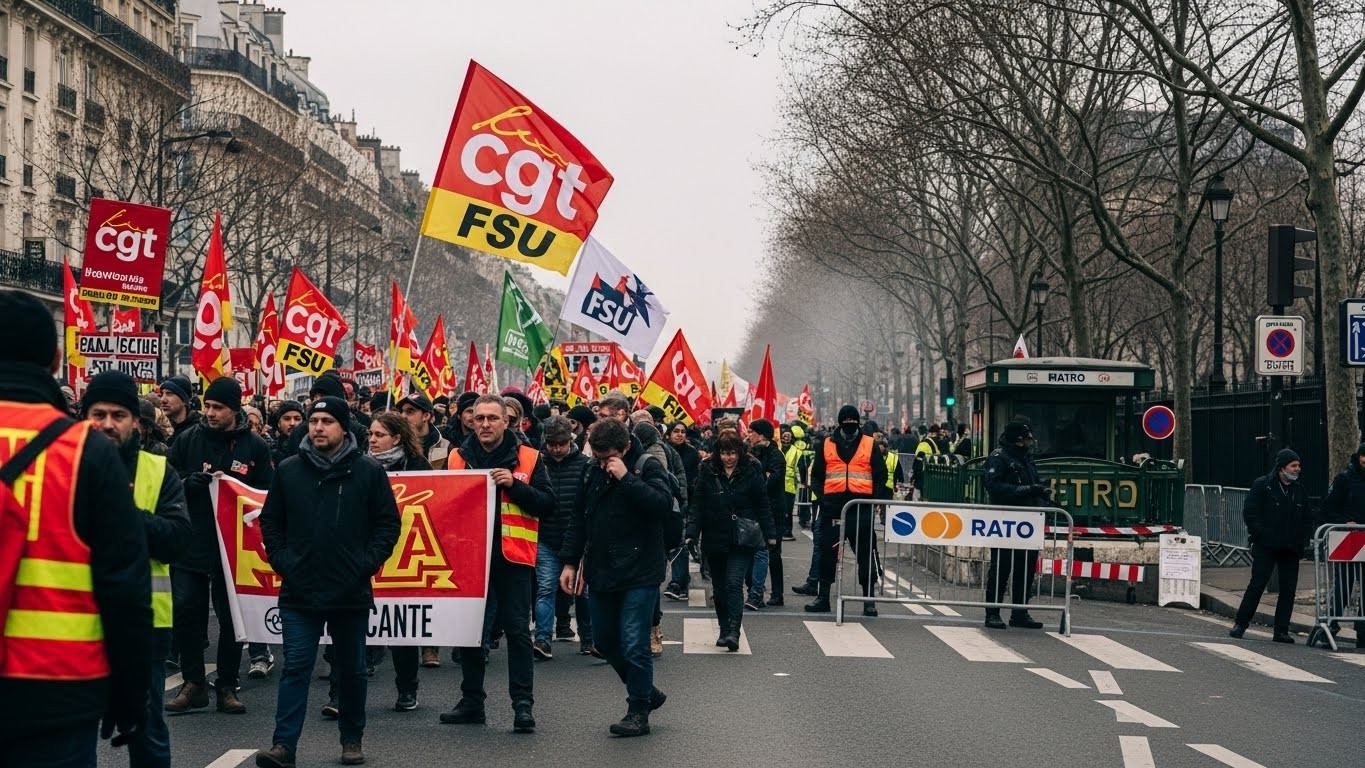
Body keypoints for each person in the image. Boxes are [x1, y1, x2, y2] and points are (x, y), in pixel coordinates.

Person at [0, 290, 152, 764]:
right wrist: (130, 696)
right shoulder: (86, 451)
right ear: (54, 360)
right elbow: (125, 587)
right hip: (58, 685)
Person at [255, 398, 401, 768]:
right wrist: (284, 560)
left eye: (327, 421)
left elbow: (388, 524)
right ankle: (283, 746)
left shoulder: (367, 471)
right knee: (296, 667)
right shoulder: (289, 470)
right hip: (300, 591)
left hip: (349, 591)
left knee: (351, 670)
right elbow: (270, 522)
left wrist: (365, 563)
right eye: (314, 420)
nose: (318, 427)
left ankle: (352, 739)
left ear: (344, 427)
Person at [81, 371, 194, 768]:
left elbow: (178, 538)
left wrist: (123, 515)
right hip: (74, 619)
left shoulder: (159, 470)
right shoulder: (63, 469)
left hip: (144, 622)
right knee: (76, 731)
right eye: (98, 414)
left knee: (145, 728)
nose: (108, 424)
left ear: (135, 422)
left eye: (118, 414)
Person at [440, 395, 554, 733]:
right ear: (470, 422)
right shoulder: (457, 458)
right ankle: (472, 701)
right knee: (471, 633)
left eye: (492, 418)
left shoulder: (529, 458)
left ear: (507, 422)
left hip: (513, 559)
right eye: (479, 418)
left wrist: (514, 488)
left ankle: (522, 706)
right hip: (470, 559)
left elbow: (547, 505)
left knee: (518, 633)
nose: (485, 424)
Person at [166, 376, 274, 715]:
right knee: (186, 610)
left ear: (234, 409)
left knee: (231, 618)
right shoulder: (186, 440)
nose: (210, 413)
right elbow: (166, 484)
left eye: (218, 407)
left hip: (232, 548)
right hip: (190, 541)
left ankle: (227, 683)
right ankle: (194, 683)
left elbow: (266, 496)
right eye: (207, 406)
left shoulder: (254, 447)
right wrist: (187, 484)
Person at [559, 418, 674, 737]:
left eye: (607, 455)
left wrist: (626, 479)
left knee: (635, 642)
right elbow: (579, 518)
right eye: (595, 454)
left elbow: (662, 506)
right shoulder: (590, 469)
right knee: (605, 640)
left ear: (624, 448)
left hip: (641, 568)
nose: (601, 460)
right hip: (601, 567)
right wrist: (569, 562)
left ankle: (638, 710)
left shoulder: (646, 465)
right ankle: (647, 691)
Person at [687, 431, 774, 650]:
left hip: (741, 536)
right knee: (719, 588)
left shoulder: (751, 468)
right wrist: (691, 532)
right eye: (725, 453)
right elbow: (698, 503)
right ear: (719, 453)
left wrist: (770, 533)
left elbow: (762, 503)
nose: (729, 458)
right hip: (714, 534)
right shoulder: (707, 469)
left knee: (734, 583)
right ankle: (724, 628)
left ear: (739, 452)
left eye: (733, 453)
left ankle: (734, 631)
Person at [806, 405, 886, 616]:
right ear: (840, 423)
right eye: (846, 421)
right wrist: (823, 500)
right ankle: (823, 597)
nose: (850, 424)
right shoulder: (826, 444)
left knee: (866, 554)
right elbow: (817, 475)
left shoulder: (870, 444)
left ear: (858, 422)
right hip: (833, 509)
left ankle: (868, 601)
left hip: (861, 509)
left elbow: (881, 474)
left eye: (853, 421)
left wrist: (873, 499)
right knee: (827, 552)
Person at [1230, 449, 1313, 643]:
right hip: (1266, 545)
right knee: (1257, 585)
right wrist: (1261, 534)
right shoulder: (1263, 485)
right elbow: (1250, 512)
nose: (1297, 469)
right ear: (1282, 467)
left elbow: (1307, 517)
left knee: (1288, 589)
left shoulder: (1299, 489)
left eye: (1298, 465)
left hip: (1290, 546)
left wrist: (1303, 539)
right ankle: (1241, 624)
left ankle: (1281, 630)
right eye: (1293, 465)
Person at [534, 416, 593, 659]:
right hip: (546, 536)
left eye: (561, 443)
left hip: (579, 538)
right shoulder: (536, 464)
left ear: (570, 440)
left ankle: (589, 639)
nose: (557, 448)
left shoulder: (585, 464)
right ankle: (542, 640)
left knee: (583, 591)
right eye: (552, 443)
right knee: (546, 588)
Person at [982, 421, 1049, 630]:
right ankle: (993, 612)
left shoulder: (1025, 457)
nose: (1030, 443)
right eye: (1027, 439)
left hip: (1027, 522)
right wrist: (1027, 490)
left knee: (1026, 568)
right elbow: (993, 486)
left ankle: (1019, 612)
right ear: (1018, 440)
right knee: (1001, 567)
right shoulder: (999, 457)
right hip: (1005, 520)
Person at [1319, 444, 1365, 647]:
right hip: (1349, 539)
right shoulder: (1345, 479)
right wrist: (1346, 521)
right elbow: (1327, 509)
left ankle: (1363, 633)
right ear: (1358, 457)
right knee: (1343, 587)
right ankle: (1331, 626)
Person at [745, 419, 787, 609]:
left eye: (751, 432)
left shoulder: (776, 455)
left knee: (773, 553)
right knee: (752, 550)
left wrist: (759, 480)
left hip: (774, 510)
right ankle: (755, 590)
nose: (749, 435)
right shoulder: (752, 453)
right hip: (754, 509)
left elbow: (770, 482)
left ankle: (777, 594)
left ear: (761, 434)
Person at [663, 422, 702, 601]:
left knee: (681, 542)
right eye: (676, 431)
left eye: (682, 431)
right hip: (666, 503)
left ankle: (679, 583)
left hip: (686, 503)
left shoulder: (692, 453)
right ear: (669, 434)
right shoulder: (662, 451)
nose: (679, 434)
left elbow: (696, 479)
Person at [158, 375, 200, 443]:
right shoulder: (165, 432)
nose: (162, 399)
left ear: (184, 400)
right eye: (162, 394)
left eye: (169, 393)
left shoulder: (197, 433)